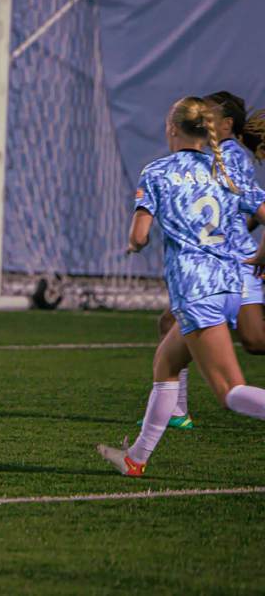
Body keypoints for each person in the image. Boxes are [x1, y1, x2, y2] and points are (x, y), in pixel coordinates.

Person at [98, 96, 265, 476]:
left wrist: (133, 243)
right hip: (230, 286)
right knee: (166, 363)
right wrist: (260, 256)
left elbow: (140, 235)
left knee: (230, 393)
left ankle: (136, 458)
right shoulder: (225, 168)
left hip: (195, 289)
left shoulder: (158, 172)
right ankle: (135, 459)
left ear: (172, 128)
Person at [146, 92, 265, 431]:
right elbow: (246, 208)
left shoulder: (224, 157)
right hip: (223, 263)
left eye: (209, 115)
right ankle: (175, 413)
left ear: (226, 124)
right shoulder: (214, 157)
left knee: (253, 344)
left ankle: (174, 412)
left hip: (227, 265)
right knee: (172, 323)